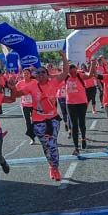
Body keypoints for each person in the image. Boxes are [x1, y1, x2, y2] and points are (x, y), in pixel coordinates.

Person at [19, 53, 70, 181]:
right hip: (38, 120)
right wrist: (11, 87)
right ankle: (51, 165)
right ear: (35, 75)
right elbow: (17, 94)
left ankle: (56, 168)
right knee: (45, 146)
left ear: (47, 74)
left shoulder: (54, 82)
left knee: (52, 144)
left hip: (53, 119)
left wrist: (63, 57)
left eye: (43, 72)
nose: (40, 74)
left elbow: (65, 71)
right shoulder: (31, 86)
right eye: (38, 73)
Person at [64, 62, 95, 155]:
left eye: (74, 71)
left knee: (82, 122)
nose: (73, 74)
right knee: (74, 125)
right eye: (71, 72)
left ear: (76, 70)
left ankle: (83, 138)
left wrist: (93, 64)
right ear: (68, 71)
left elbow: (90, 75)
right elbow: (52, 77)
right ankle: (76, 147)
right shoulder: (65, 77)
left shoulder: (80, 76)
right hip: (70, 104)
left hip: (81, 103)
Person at [15, 68, 38, 145]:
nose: (26, 75)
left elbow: (40, 89)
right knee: (27, 121)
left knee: (36, 121)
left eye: (27, 73)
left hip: (34, 104)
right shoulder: (20, 83)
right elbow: (14, 92)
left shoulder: (34, 82)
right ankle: (32, 138)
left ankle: (37, 133)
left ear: (30, 74)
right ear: (22, 74)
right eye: (24, 73)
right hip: (24, 105)